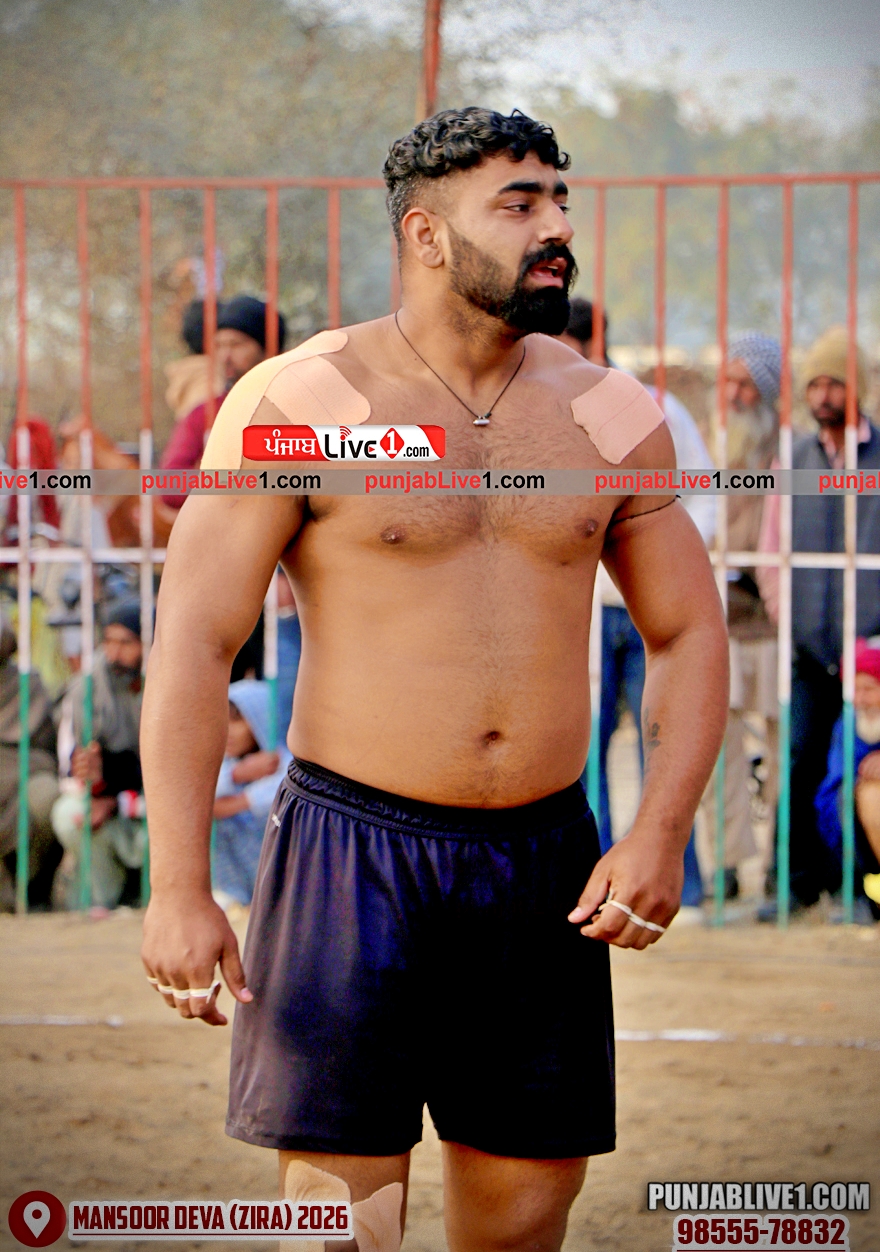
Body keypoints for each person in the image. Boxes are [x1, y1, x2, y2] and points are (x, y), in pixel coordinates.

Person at [141, 107, 728, 1252]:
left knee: (523, 1220)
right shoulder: (303, 403)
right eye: (518, 204)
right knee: (342, 1225)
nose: (556, 227)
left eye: (559, 199)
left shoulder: (609, 412)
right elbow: (196, 644)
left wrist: (660, 831)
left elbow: (687, 633)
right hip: (349, 854)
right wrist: (177, 886)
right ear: (424, 234)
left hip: (541, 863)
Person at [557, 300, 713, 917]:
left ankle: (683, 881)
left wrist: (665, 563)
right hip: (583, 611)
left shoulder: (647, 405)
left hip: (646, 605)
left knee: (663, 746)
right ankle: (586, 875)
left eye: (564, 340)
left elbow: (701, 492)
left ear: (591, 342)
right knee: (580, 746)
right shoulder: (537, 407)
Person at [758, 324, 880, 914]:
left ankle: (860, 888)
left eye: (835, 383)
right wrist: (790, 616)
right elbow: (771, 550)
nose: (823, 395)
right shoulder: (794, 458)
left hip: (872, 652)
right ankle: (792, 883)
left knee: (861, 772)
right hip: (809, 649)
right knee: (799, 763)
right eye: (815, 385)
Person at [698, 334, 781, 902]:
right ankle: (727, 864)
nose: (733, 393)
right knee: (716, 753)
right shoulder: (706, 444)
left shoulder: (790, 450)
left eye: (746, 384)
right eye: (728, 381)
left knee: (780, 750)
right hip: (717, 620)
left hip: (773, 623)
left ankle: (778, 861)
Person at [51, 598, 146, 910]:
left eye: (126, 642)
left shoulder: (165, 681)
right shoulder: (87, 689)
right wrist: (96, 786)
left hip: (149, 797)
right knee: (69, 815)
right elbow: (75, 766)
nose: (114, 653)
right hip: (107, 795)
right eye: (108, 641)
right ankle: (104, 900)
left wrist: (116, 794)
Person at [159, 294, 287, 484]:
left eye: (236, 344)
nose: (225, 356)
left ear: (268, 349)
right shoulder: (204, 413)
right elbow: (171, 481)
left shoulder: (299, 406)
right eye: (219, 345)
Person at [212, 678, 292, 914]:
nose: (227, 730)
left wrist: (234, 803)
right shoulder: (226, 766)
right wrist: (237, 775)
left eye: (237, 720)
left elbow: (275, 794)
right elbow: (198, 797)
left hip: (279, 886)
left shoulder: (286, 764)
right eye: (223, 720)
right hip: (234, 888)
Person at [814, 638, 880, 922]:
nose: (861, 699)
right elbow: (835, 780)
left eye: (870, 689)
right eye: (856, 689)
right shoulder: (848, 725)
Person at [0, 621, 60, 911]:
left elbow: (47, 751)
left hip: (21, 773)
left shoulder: (29, 686)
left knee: (46, 795)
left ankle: (31, 887)